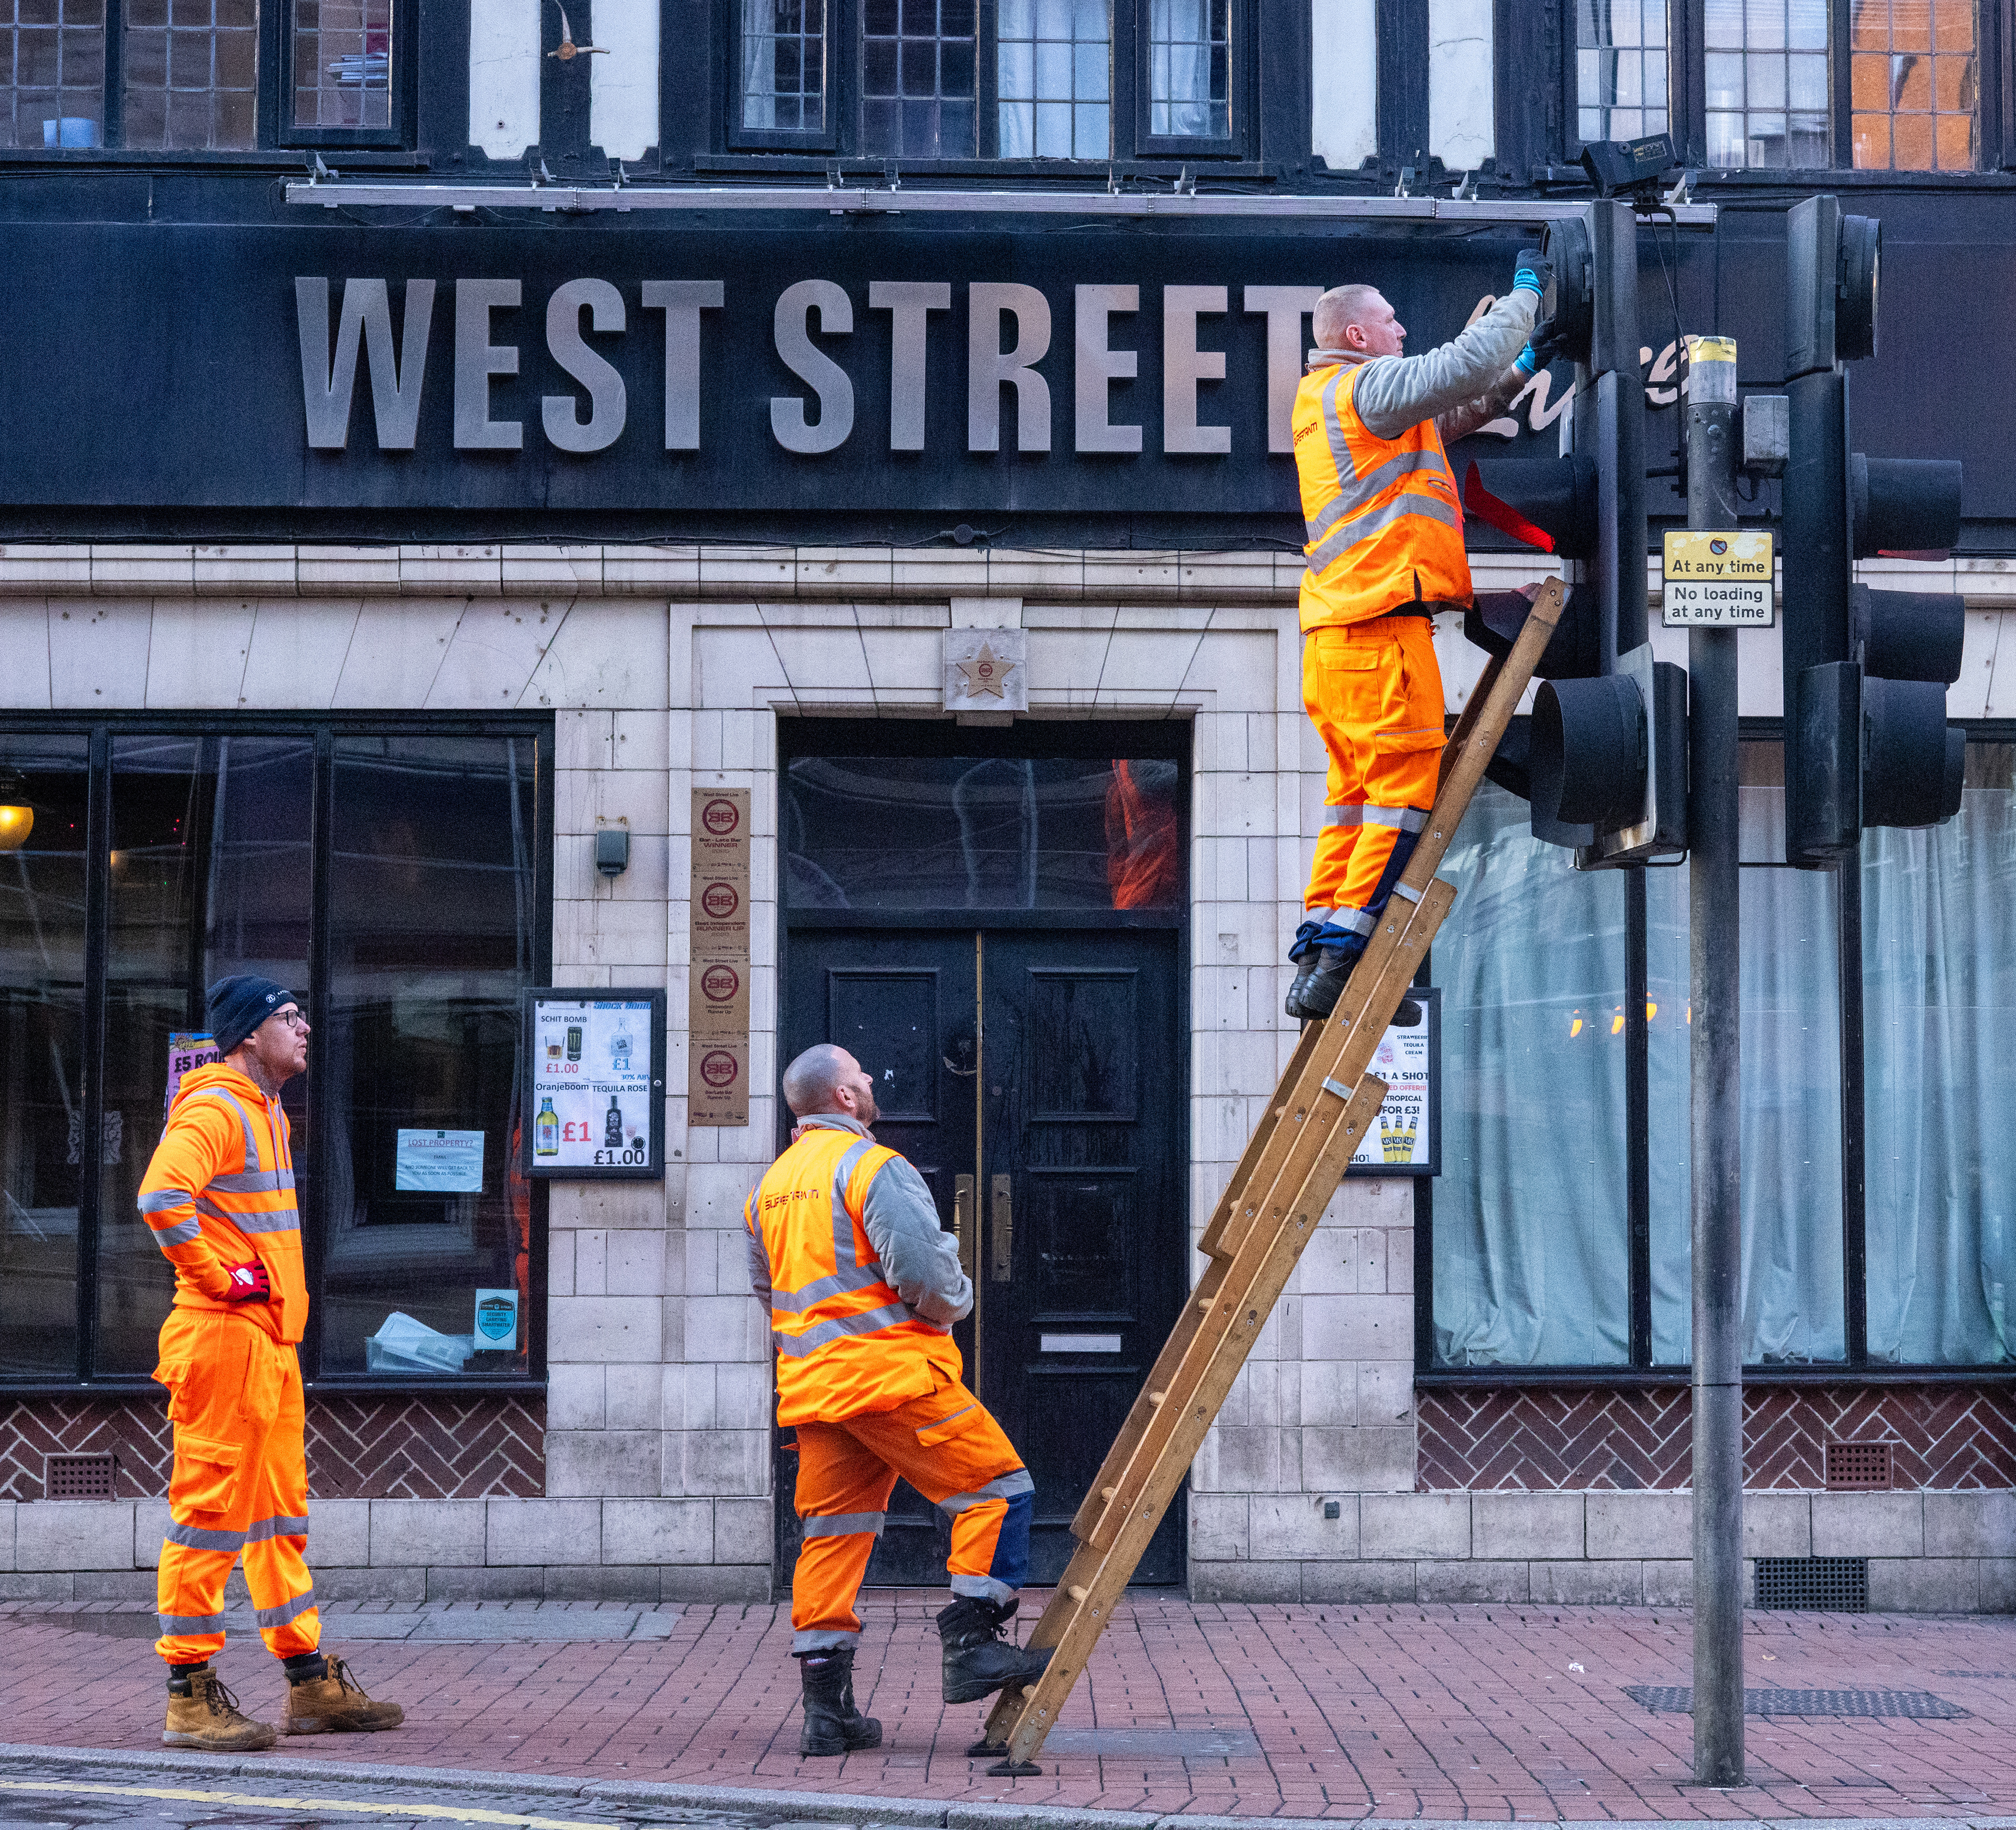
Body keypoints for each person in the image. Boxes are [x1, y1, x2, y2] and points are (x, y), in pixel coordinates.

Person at [746, 1043, 1051, 1757]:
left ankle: (829, 1714)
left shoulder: (771, 1187)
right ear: (845, 1100)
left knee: (833, 1536)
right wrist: (958, 1302)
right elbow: (921, 1272)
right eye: (863, 1074)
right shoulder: (872, 1166)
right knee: (999, 1491)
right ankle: (971, 1645)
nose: (873, 1077)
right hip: (890, 1376)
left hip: (816, 1390)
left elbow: (770, 1292)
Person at [1283, 254, 1558, 1022]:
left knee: (1352, 803)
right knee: (1402, 799)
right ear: (1361, 335)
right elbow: (1465, 361)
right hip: (1380, 634)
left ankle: (1318, 958)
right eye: (1394, 320)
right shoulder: (1367, 386)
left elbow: (1457, 412)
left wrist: (1528, 361)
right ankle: (1348, 966)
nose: (1405, 329)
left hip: (1339, 638)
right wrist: (1527, 297)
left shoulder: (1333, 401)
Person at [138, 974, 404, 1752]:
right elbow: (161, 1198)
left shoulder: (266, 1112)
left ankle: (308, 1677)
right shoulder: (219, 1106)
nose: (306, 1028)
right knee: (210, 1515)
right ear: (250, 1034)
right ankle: (188, 1691)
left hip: (265, 1344)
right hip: (223, 1337)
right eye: (290, 1017)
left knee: (278, 1518)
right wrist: (219, 1277)